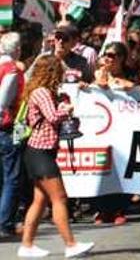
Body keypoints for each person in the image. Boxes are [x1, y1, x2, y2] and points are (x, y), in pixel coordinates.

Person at [18, 55, 94, 258]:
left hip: (38, 152)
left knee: (39, 200)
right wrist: (65, 109)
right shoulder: (42, 92)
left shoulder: (43, 92)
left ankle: (26, 245)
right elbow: (52, 116)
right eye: (59, 70)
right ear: (51, 71)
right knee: (59, 198)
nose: (62, 74)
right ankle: (71, 245)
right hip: (40, 153)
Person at [0, 32, 23, 238]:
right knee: (12, 176)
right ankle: (5, 222)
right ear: (16, 49)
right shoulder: (12, 69)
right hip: (7, 127)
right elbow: (3, 101)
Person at [28, 24, 94, 84]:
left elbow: (88, 83)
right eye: (58, 37)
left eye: (65, 38)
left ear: (74, 43)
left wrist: (83, 84)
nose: (61, 41)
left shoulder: (81, 62)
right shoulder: (43, 58)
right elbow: (27, 78)